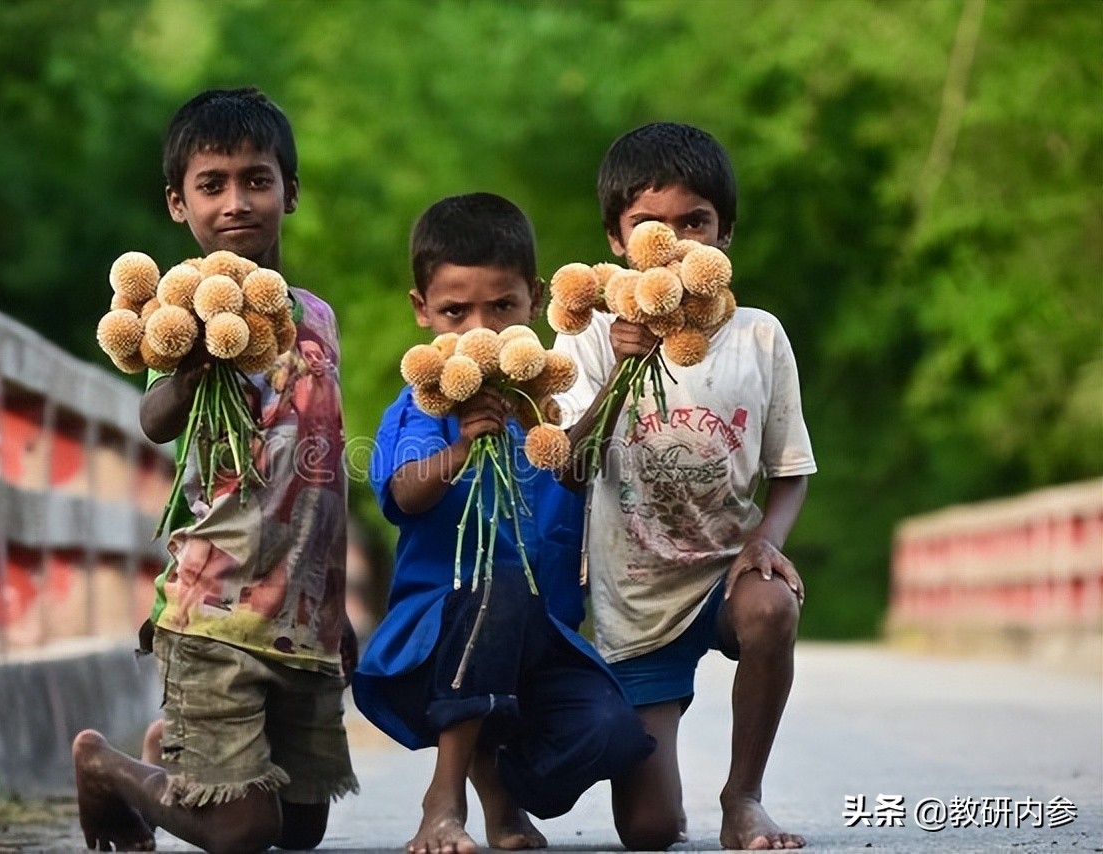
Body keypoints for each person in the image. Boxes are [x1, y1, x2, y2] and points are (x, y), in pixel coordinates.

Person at [71, 87, 357, 854]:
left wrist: (337, 602)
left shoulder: (318, 317)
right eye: (212, 184)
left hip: (302, 619)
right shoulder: (182, 316)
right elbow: (155, 418)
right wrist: (196, 368)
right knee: (241, 831)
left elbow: (323, 469)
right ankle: (106, 768)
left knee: (301, 830)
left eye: (257, 180)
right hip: (216, 611)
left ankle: (176, 747)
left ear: (289, 192)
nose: (237, 202)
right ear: (178, 203)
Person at [354, 193, 655, 854]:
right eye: (454, 312)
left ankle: (502, 782)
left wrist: (627, 367)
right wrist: (459, 449)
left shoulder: (541, 408)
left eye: (503, 307)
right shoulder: (420, 406)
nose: (478, 330)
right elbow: (404, 495)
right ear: (421, 311)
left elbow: (575, 461)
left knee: (613, 734)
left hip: (535, 648)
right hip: (433, 648)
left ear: (536, 302)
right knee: (499, 581)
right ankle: (444, 798)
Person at [554, 122, 816, 851]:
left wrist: (765, 541)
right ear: (615, 239)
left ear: (724, 234)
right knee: (649, 830)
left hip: (724, 577)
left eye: (694, 222)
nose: (673, 245)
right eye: (648, 226)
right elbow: (568, 469)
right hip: (633, 596)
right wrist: (615, 370)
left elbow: (790, 470)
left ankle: (744, 797)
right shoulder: (584, 334)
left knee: (770, 607)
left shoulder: (759, 335)